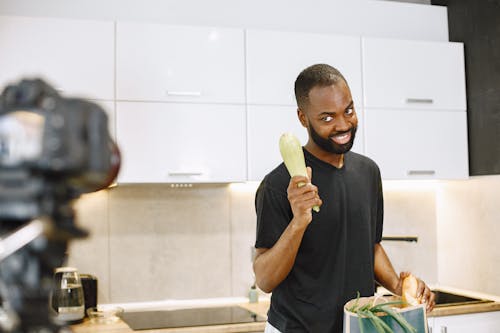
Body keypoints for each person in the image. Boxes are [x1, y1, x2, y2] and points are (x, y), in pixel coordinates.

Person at [253, 64, 435, 333]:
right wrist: (299, 221)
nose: (343, 125)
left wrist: (398, 287)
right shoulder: (280, 184)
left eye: (348, 110)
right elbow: (265, 279)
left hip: (358, 326)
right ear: (303, 118)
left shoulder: (368, 172)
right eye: (327, 118)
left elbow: (370, 247)